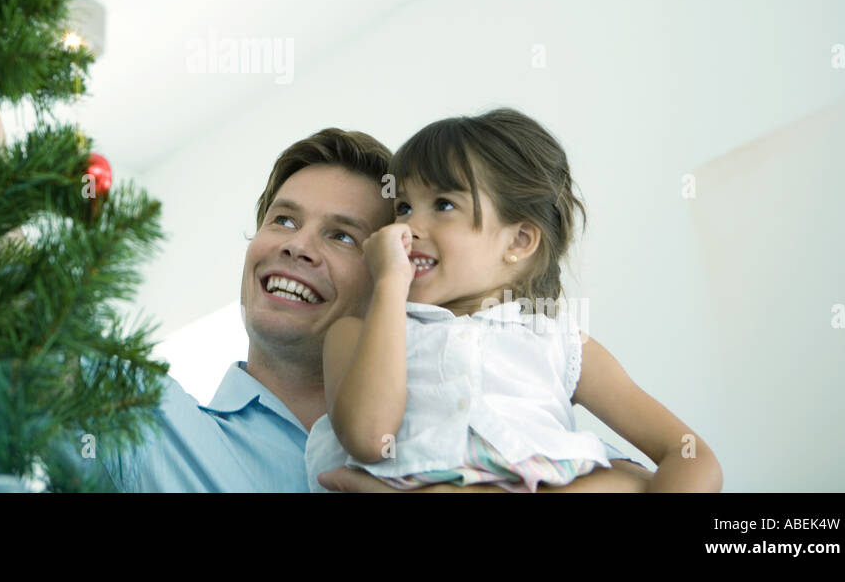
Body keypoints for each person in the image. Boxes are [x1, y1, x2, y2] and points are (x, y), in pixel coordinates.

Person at [0, 0, 654, 491]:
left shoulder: (496, 425)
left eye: (343, 235)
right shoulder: (145, 430)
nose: (295, 244)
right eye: (283, 218)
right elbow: (4, 267)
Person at [305, 111, 722, 493]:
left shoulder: (559, 343)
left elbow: (688, 455)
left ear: (518, 241)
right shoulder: (357, 333)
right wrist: (390, 287)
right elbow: (370, 438)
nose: (409, 226)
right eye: (403, 207)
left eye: (444, 204)